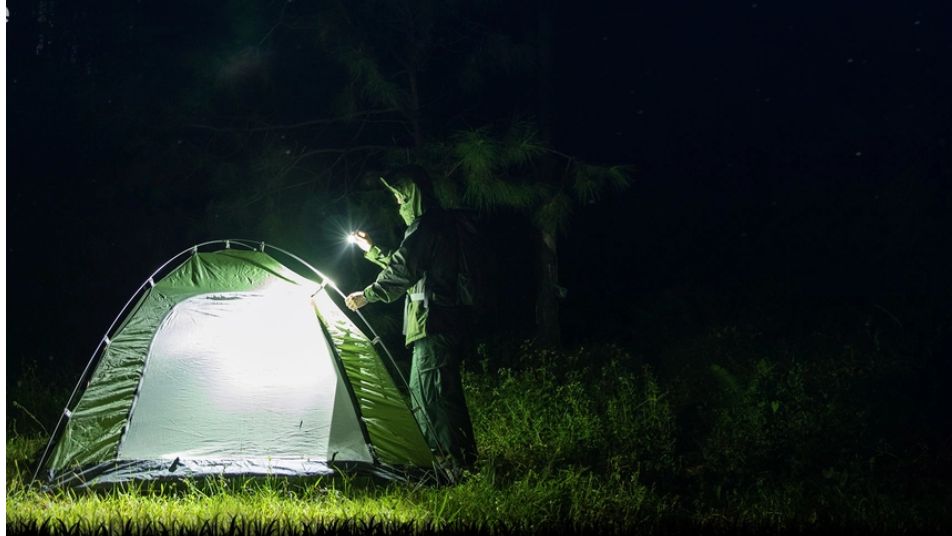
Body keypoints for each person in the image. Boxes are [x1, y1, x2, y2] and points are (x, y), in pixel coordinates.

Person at [344, 165, 477, 478]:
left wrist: (368, 294)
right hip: (435, 323)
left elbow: (403, 271)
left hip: (435, 323)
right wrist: (372, 250)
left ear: (413, 194)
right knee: (424, 393)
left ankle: (456, 465)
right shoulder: (433, 226)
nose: (398, 204)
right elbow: (409, 264)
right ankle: (442, 459)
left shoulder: (427, 226)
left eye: (401, 197)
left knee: (436, 396)